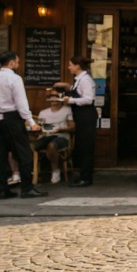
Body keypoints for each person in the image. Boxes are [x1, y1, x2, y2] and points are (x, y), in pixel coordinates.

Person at [0, 51, 46, 199]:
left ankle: (3, 190)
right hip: (12, 118)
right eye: (17, 62)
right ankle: (27, 188)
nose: (18, 64)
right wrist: (31, 121)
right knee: (24, 153)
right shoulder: (14, 78)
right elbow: (21, 102)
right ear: (11, 63)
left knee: (1, 154)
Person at [62, 56, 96, 187]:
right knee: (81, 145)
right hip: (81, 116)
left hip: (86, 116)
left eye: (70, 65)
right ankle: (83, 175)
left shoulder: (85, 80)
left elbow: (88, 99)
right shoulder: (79, 80)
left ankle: (86, 179)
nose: (69, 67)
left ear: (77, 66)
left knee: (86, 146)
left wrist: (70, 100)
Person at [33, 95, 75, 183]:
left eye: (56, 97)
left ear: (61, 99)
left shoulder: (67, 109)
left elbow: (72, 127)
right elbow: (40, 127)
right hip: (46, 136)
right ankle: (29, 172)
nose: (54, 99)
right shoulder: (43, 112)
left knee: (52, 145)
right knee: (31, 145)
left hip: (61, 136)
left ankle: (55, 170)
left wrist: (61, 129)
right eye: (51, 97)